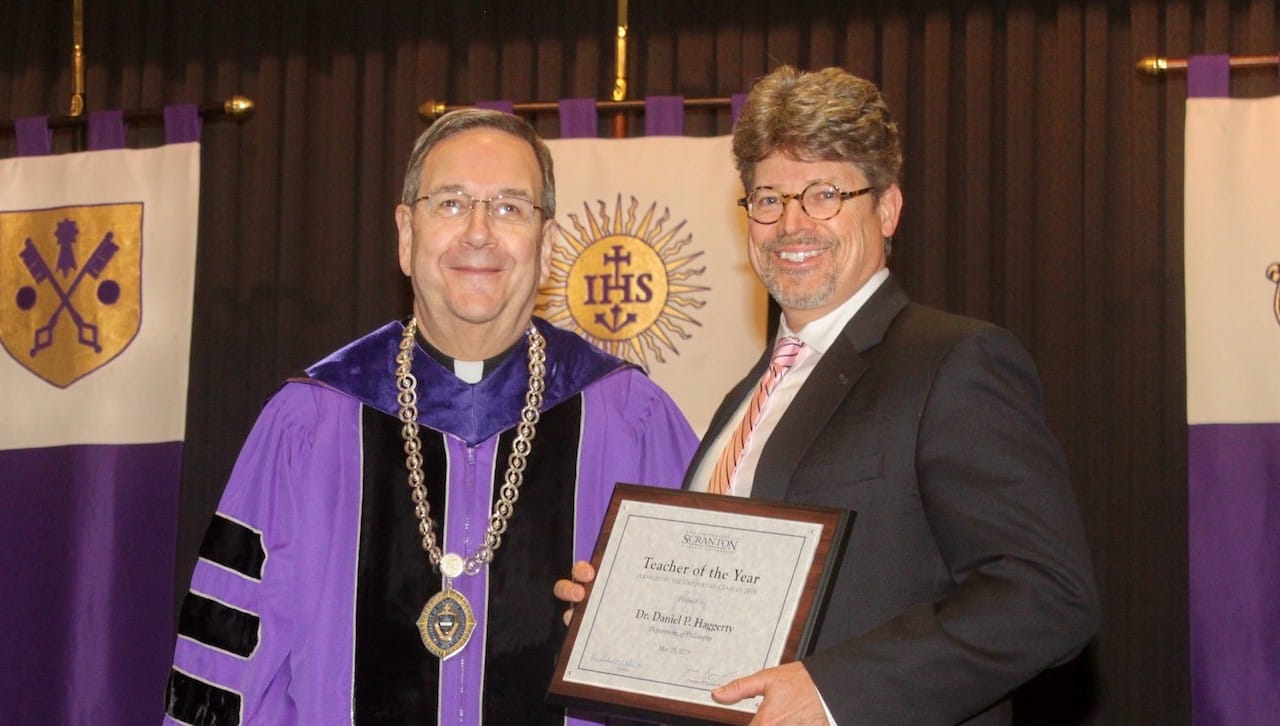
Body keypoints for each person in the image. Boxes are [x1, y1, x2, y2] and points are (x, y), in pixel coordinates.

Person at [556, 66, 1099, 724]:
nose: (791, 224)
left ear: (888, 207)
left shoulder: (953, 362)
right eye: (768, 199)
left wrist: (837, 691)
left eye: (823, 195)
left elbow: (1048, 595)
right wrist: (625, 613)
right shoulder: (745, 397)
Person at [164, 109, 699, 725]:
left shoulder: (632, 421)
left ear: (548, 245)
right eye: (450, 204)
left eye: (509, 207)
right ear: (405, 232)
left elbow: (704, 660)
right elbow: (226, 670)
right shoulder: (309, 423)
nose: (478, 232)